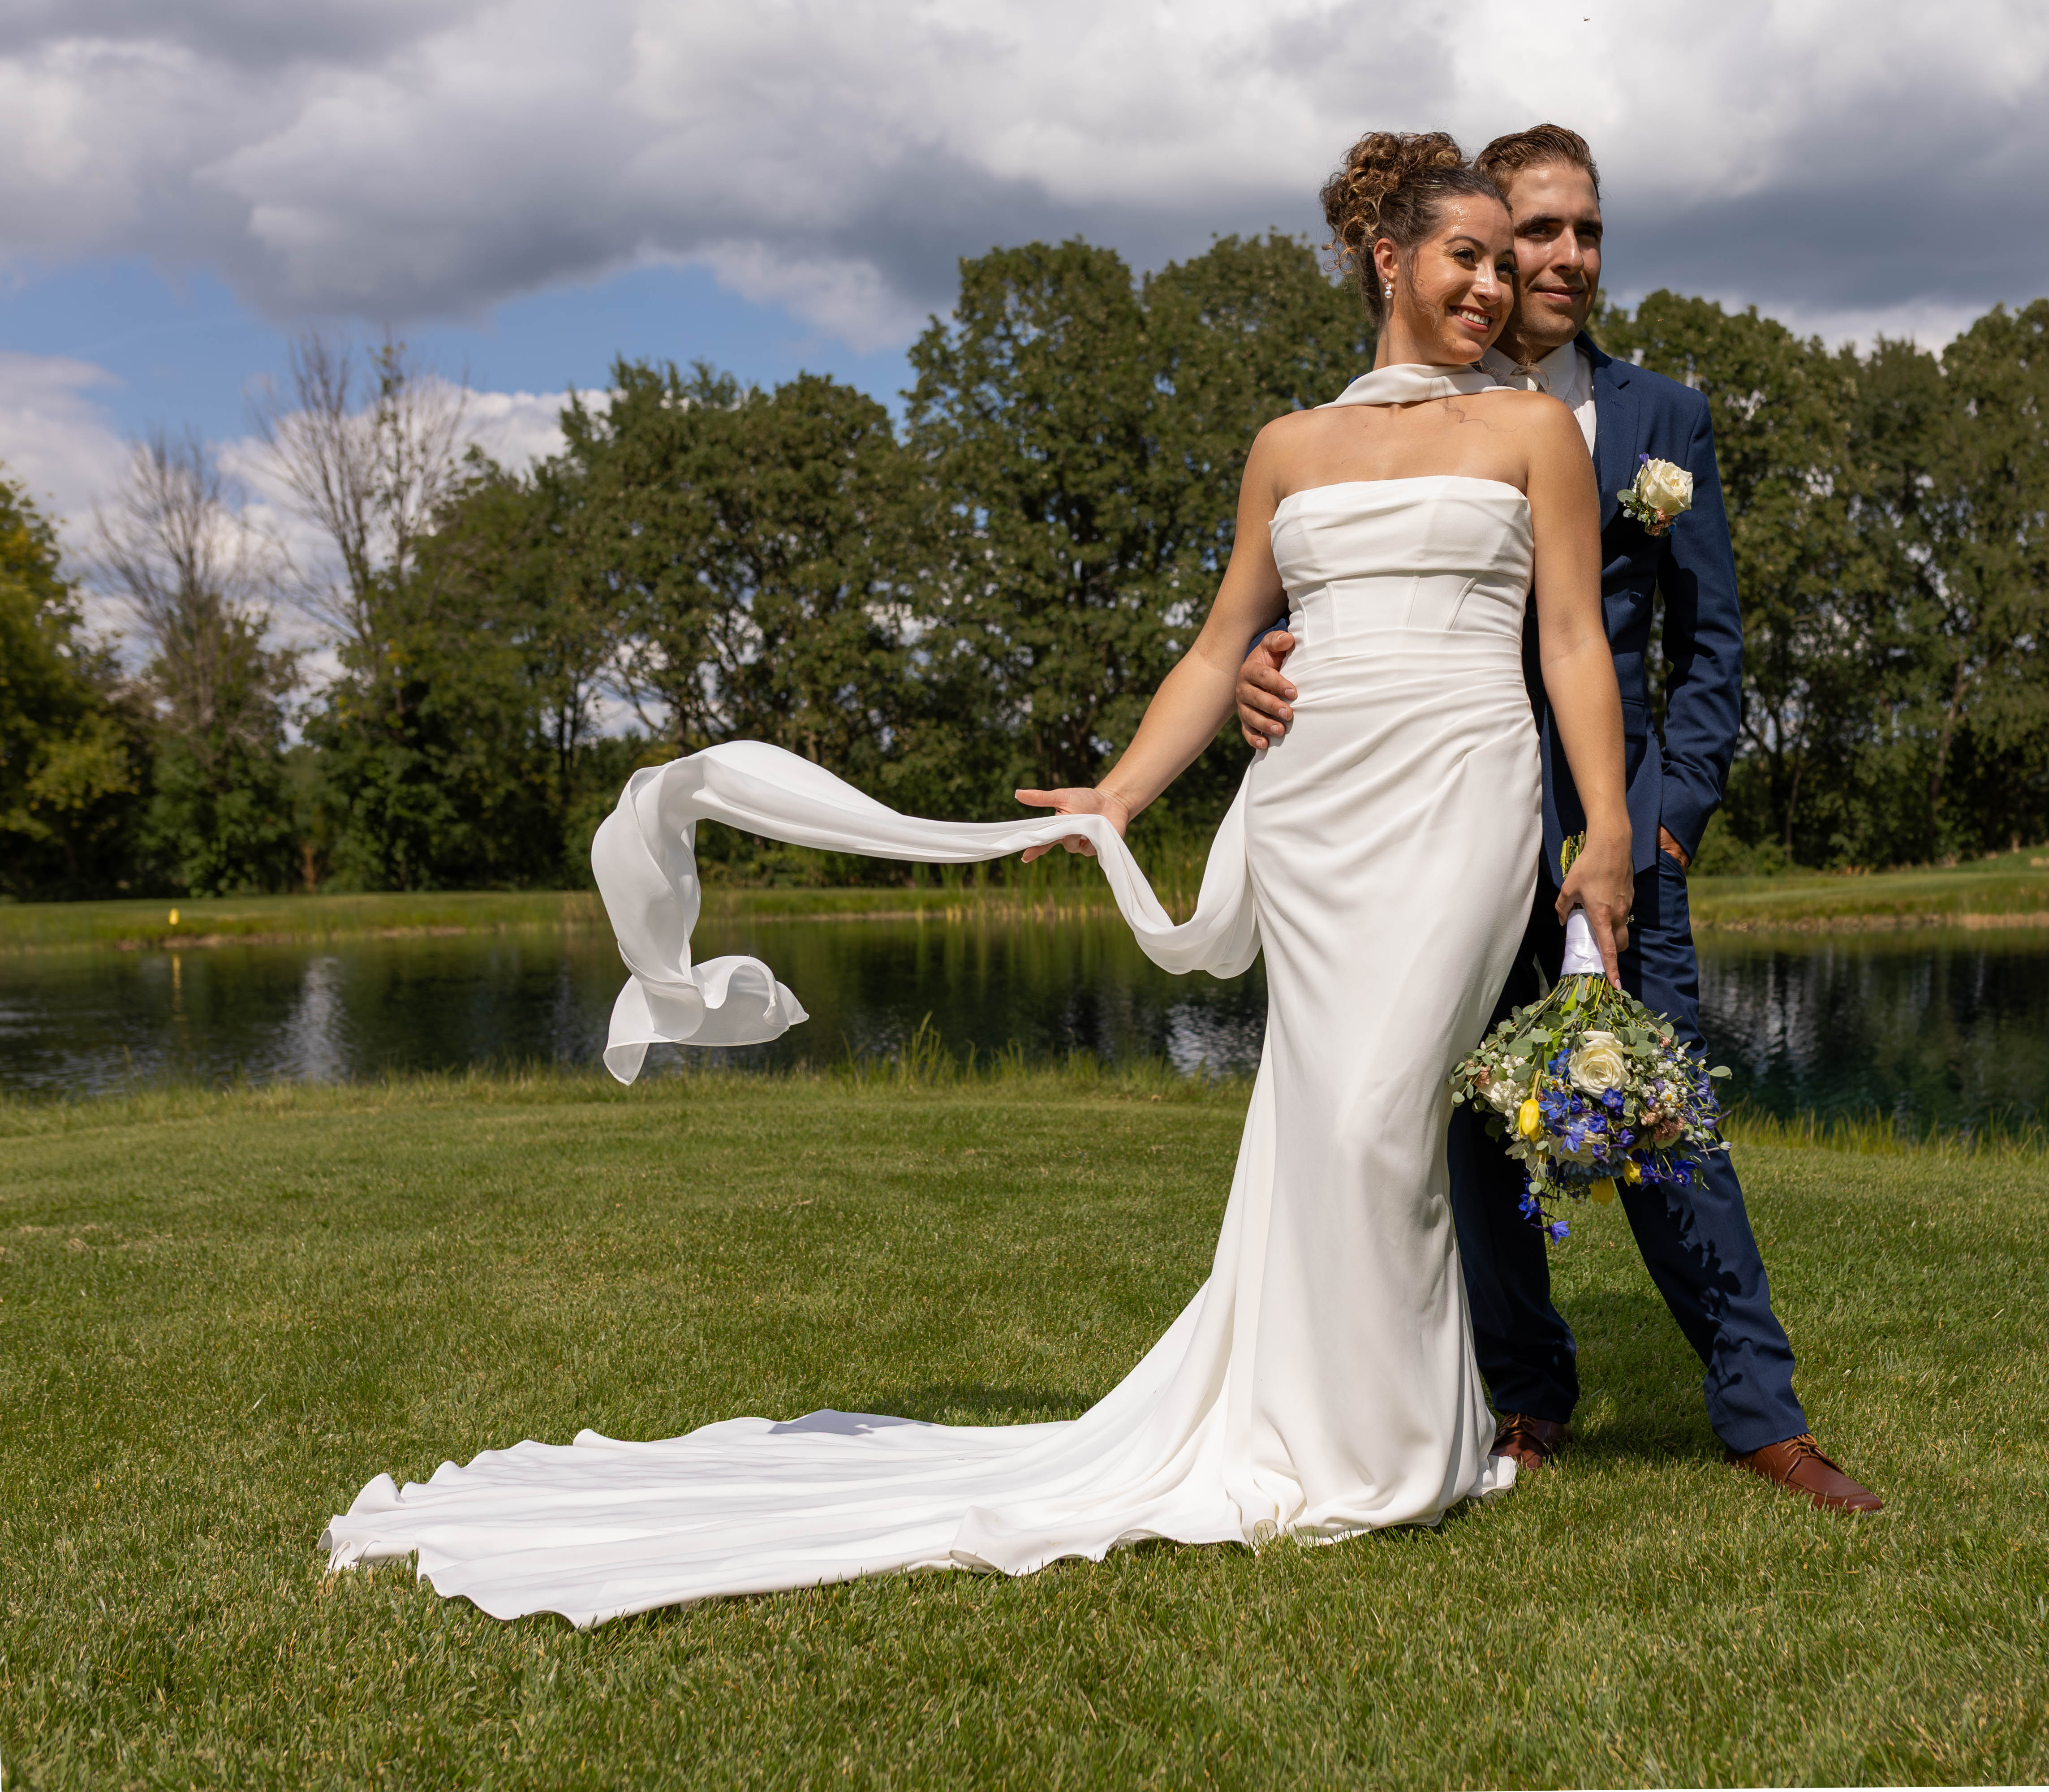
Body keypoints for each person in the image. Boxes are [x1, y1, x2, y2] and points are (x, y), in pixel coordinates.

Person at [320, 131, 1642, 1628]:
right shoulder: (1290, 446)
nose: (1496, 280)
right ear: (1387, 261)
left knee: (1375, 1113)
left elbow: (1573, 647)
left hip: (1466, 788)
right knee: (1325, 1113)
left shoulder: (1534, 430)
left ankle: (1391, 1442)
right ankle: (1364, 1435)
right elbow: (1223, 645)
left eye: (1503, 257)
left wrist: (1600, 831)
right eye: (1463, 255)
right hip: (1321, 803)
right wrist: (1120, 794)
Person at [1236, 125, 1879, 1514]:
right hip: (1429, 821)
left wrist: (1660, 826)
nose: (1568, 259)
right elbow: (1329, 593)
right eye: (1538, 232)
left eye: (1590, 231)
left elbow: (1709, 649)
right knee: (1467, 1126)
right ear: (1475, 245)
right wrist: (1257, 664)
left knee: (1666, 1120)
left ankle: (1761, 1413)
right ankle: (1527, 1396)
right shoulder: (1387, 417)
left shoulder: (1661, 418)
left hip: (1612, 830)